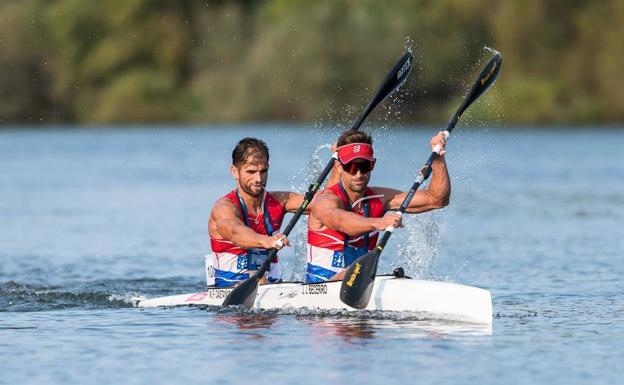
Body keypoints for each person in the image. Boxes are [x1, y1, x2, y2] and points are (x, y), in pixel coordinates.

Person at [306, 129, 450, 283]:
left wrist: (438, 158)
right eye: (351, 167)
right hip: (320, 290)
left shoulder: (378, 199)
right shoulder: (324, 201)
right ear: (339, 167)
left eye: (365, 166)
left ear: (373, 164)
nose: (359, 174)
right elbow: (345, 223)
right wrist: (379, 222)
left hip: (357, 284)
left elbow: (437, 199)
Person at [207, 137, 305, 287]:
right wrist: (267, 241)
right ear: (235, 171)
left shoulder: (279, 201)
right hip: (233, 294)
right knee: (258, 280)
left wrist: (342, 166)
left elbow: (322, 204)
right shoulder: (224, 208)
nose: (258, 178)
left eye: (263, 171)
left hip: (274, 289)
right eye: (251, 172)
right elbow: (235, 233)